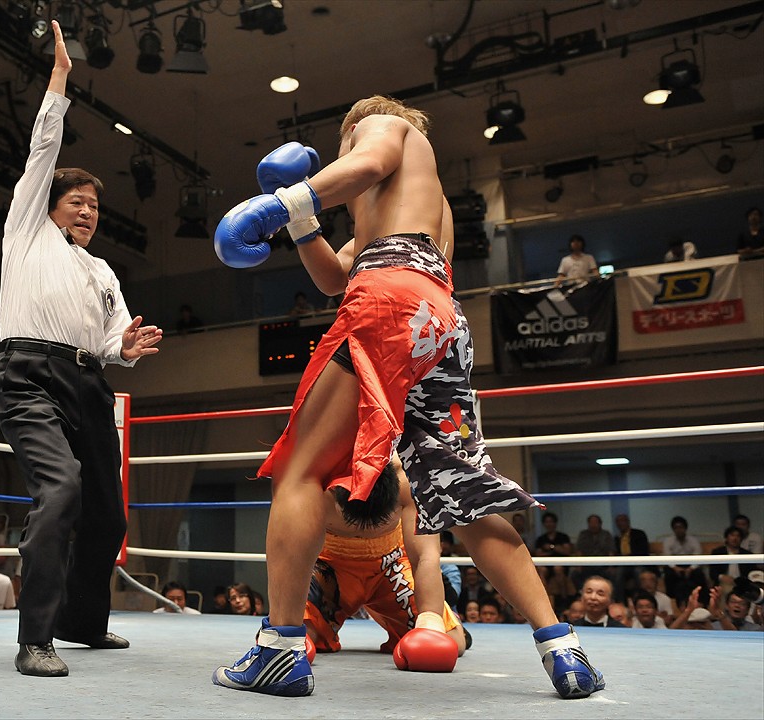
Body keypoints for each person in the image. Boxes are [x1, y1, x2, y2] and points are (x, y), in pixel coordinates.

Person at [211, 97, 603, 699]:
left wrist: (280, 202)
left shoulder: (381, 126)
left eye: (345, 143)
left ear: (354, 131)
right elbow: (335, 277)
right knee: (464, 495)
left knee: (302, 470)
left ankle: (279, 651)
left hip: (388, 302)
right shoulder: (415, 207)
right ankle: (563, 649)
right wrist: (300, 220)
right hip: (438, 320)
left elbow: (367, 164)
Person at [0, 20, 162, 679]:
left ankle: (83, 622)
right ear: (50, 205)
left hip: (89, 383)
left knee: (109, 515)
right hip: (29, 375)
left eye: (94, 205)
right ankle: (35, 638)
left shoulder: (103, 270)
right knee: (60, 492)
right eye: (77, 201)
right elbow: (44, 147)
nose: (88, 211)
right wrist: (60, 80)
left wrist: (127, 347)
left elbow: (108, 342)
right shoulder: (27, 231)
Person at [302, 456, 468, 662]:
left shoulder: (408, 473)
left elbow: (425, 556)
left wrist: (431, 623)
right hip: (329, 566)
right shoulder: (310, 478)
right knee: (299, 639)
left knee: (450, 641)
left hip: (391, 564)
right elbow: (289, 554)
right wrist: (286, 627)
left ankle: (397, 612)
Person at [661, 515, 706, 606]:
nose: (679, 530)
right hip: (674, 565)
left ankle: (702, 600)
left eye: (681, 527)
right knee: (669, 575)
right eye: (676, 528)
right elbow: (667, 557)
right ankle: (672, 601)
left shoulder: (693, 540)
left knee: (699, 574)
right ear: (673, 529)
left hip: (691, 565)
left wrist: (691, 568)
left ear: (685, 528)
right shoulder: (668, 541)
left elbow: (698, 556)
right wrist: (675, 568)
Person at [708, 525, 754, 591]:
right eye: (732, 535)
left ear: (741, 539)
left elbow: (751, 572)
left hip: (742, 583)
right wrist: (722, 577)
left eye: (738, 536)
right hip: (724, 582)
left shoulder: (747, 554)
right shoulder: (718, 552)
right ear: (726, 538)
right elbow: (712, 572)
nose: (735, 538)